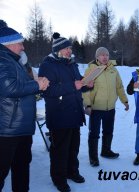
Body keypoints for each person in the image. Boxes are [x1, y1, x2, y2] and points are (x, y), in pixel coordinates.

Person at [39, 32, 93, 192]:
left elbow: (78, 82)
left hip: (75, 113)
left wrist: (87, 84)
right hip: (59, 115)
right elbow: (47, 91)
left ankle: (72, 172)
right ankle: (59, 179)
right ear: (58, 50)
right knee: (59, 151)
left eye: (70, 47)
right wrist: (73, 86)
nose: (70, 50)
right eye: (66, 48)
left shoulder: (72, 64)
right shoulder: (48, 65)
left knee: (73, 147)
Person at [0, 20, 49, 191]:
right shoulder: (2, 60)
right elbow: (9, 88)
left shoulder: (16, 62)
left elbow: (24, 87)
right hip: (7, 130)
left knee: (22, 167)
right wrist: (37, 85)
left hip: (21, 127)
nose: (23, 47)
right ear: (9, 44)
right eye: (20, 43)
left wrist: (39, 84)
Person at [82, 47, 129, 167]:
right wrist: (87, 105)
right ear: (97, 57)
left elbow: (119, 86)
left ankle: (106, 151)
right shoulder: (91, 70)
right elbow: (85, 90)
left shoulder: (113, 70)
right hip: (96, 108)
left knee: (108, 131)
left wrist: (125, 101)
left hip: (110, 108)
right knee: (94, 134)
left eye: (107, 55)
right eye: (102, 55)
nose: (105, 57)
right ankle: (93, 158)